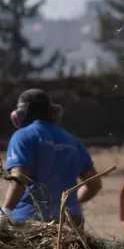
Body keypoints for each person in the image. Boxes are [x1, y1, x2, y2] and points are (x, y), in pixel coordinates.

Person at [0, 89, 102, 228]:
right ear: (51, 111)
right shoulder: (73, 141)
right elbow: (94, 184)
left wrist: (6, 210)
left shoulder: (23, 136)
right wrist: (69, 203)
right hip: (71, 221)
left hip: (31, 223)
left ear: (22, 113)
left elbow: (20, 177)